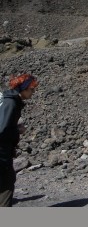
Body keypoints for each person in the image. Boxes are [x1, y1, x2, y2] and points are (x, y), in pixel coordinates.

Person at [0, 73, 38, 207]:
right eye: (31, 89)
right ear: (24, 88)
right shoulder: (11, 103)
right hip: (1, 154)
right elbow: (2, 129)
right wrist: (17, 130)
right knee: (6, 185)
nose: (33, 92)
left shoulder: (8, 100)